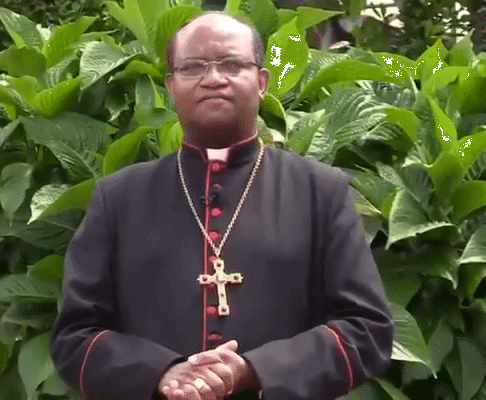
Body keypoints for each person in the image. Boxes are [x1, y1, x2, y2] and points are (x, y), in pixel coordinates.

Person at [50, 11, 393, 400]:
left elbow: (366, 330)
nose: (214, 79)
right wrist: (159, 372)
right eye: (193, 68)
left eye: (232, 64)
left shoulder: (322, 192)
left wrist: (254, 370)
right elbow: (75, 338)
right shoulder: (118, 198)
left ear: (262, 82)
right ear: (171, 86)